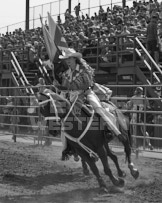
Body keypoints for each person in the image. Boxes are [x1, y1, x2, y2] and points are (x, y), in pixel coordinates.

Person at [58, 48, 125, 153]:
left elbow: (88, 84)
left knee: (97, 108)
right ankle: (67, 147)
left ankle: (114, 131)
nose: (67, 61)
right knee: (64, 119)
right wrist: (62, 91)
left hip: (86, 93)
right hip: (72, 98)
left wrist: (77, 91)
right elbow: (65, 88)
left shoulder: (83, 70)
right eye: (66, 59)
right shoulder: (66, 74)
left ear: (75, 59)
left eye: (69, 58)